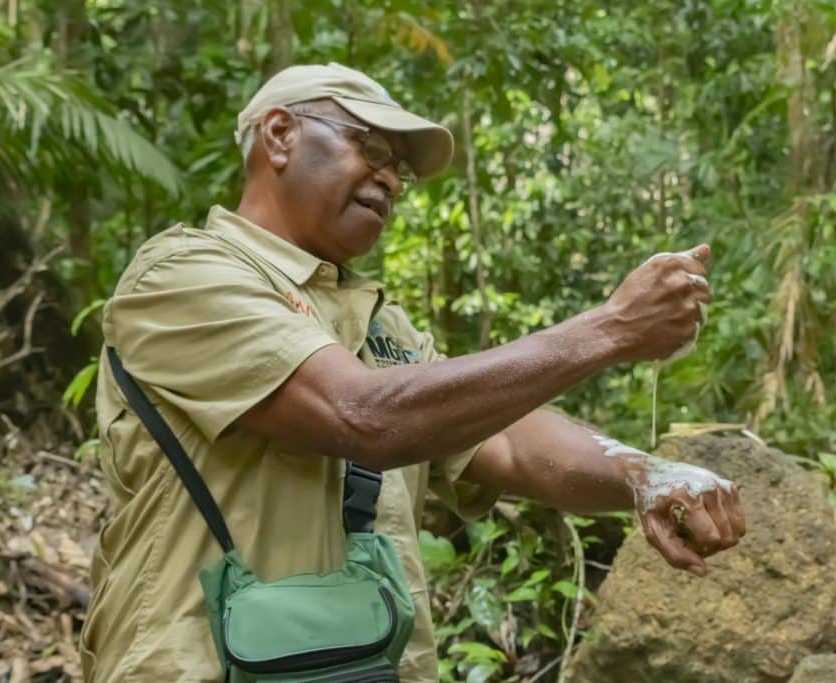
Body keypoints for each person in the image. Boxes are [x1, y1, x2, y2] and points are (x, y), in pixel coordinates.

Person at [80, 63, 745, 683]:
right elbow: (363, 414)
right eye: (371, 148)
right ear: (280, 134)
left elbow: (510, 441)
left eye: (401, 168)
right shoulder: (181, 277)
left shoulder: (381, 328)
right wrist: (610, 329)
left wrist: (646, 475)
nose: (393, 180)